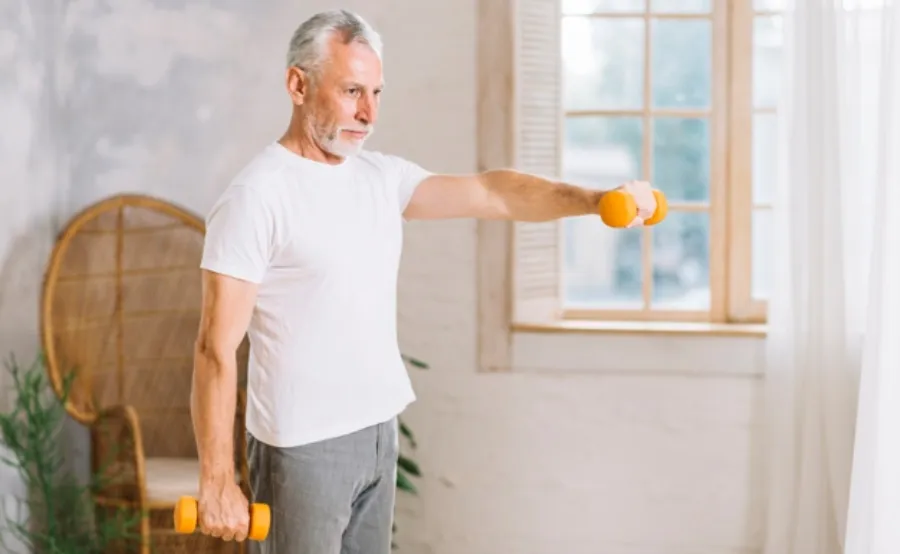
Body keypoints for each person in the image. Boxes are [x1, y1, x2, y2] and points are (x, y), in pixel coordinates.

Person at [189, 8, 657, 554]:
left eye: (377, 93)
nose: (368, 113)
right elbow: (214, 350)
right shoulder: (257, 196)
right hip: (302, 447)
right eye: (351, 91)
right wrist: (217, 479)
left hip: (377, 431)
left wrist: (595, 201)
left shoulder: (381, 179)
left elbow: (494, 193)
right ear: (298, 84)